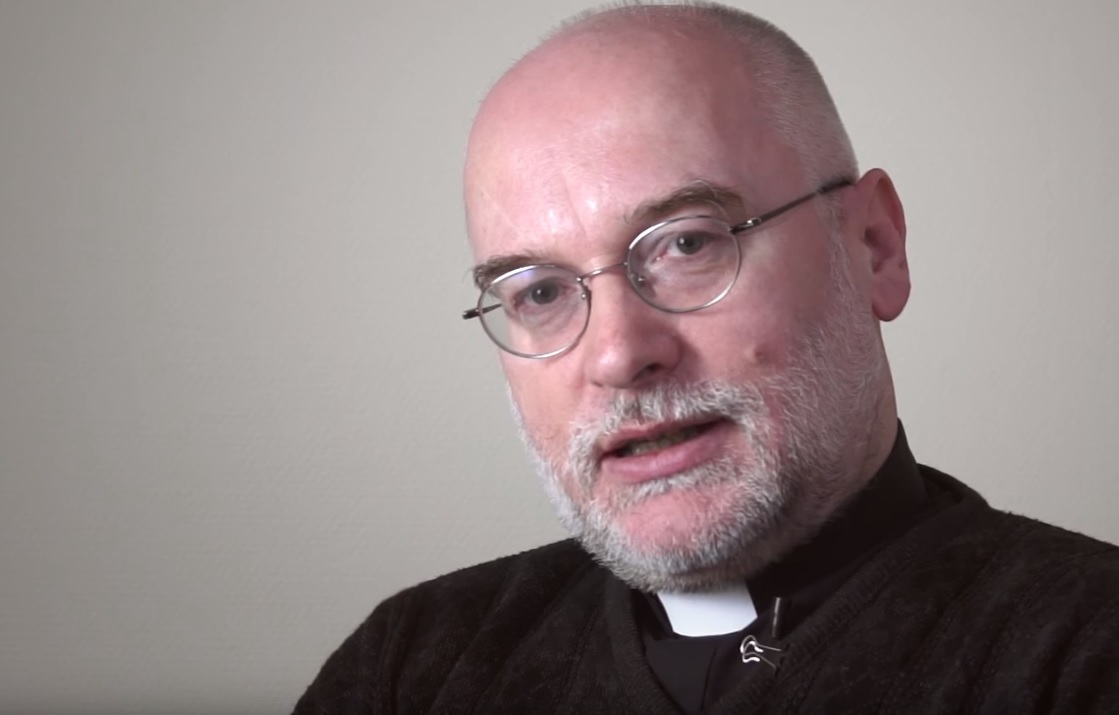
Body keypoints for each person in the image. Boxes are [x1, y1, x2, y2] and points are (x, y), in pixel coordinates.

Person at [294, 3, 1119, 712]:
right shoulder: (407, 667)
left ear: (873, 247)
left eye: (687, 243)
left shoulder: (1083, 652)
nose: (618, 354)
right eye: (539, 291)